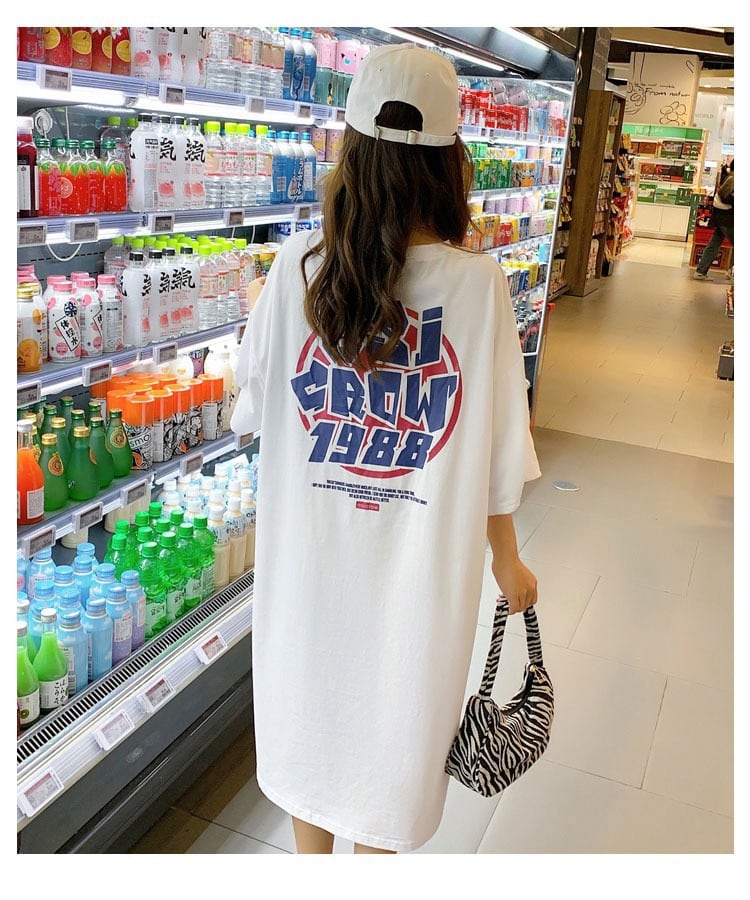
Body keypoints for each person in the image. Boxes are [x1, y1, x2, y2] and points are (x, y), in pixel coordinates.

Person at [231, 43, 541, 855]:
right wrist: (508, 561)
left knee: (307, 717)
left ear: (352, 152)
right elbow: (496, 456)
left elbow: (249, 410)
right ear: (448, 162)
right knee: (396, 732)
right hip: (418, 575)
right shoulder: (478, 286)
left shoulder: (297, 268)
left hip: (308, 566)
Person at [695, 158, 733, 280]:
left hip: (721, 217)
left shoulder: (729, 178)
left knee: (714, 243)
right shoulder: (733, 179)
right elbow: (723, 195)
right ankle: (732, 272)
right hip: (727, 218)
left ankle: (701, 271)